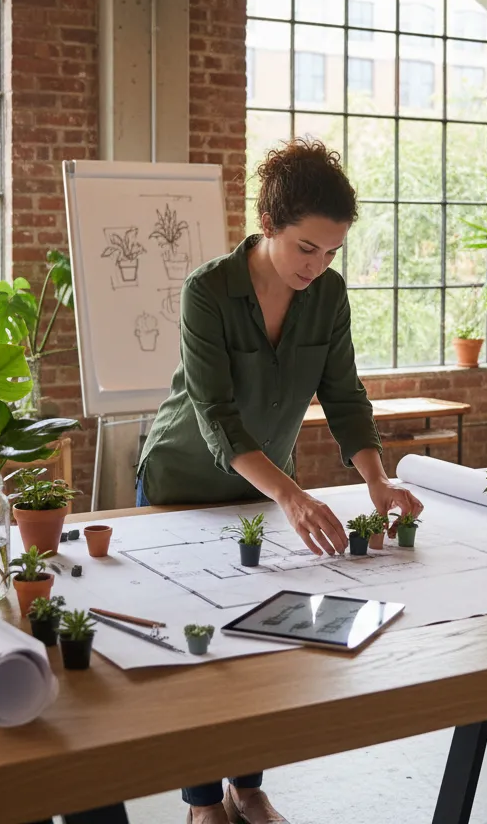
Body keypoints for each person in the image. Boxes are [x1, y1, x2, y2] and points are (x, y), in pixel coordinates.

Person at [137, 139, 425, 824]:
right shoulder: (207, 290)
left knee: (266, 638)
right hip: (182, 482)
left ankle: (249, 782)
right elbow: (215, 415)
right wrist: (291, 493)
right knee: (199, 642)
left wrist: (378, 481)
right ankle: (204, 799)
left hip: (266, 491)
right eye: (306, 248)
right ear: (268, 224)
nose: (317, 265)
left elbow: (345, 394)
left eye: (331, 252)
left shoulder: (328, 295)